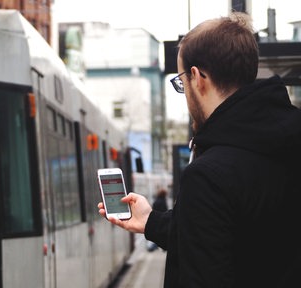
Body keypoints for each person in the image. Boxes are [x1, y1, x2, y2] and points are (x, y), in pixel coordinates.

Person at [98, 12, 301, 287]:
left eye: (181, 81)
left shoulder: (208, 176)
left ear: (197, 77)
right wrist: (152, 222)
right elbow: (245, 241)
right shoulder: (286, 143)